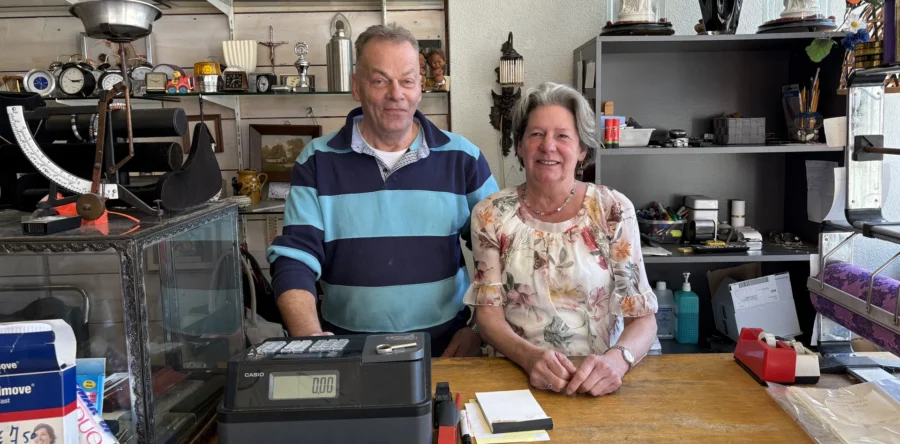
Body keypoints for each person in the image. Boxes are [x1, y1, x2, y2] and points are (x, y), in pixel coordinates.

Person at [268, 23, 498, 357]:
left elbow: (500, 254)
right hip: (348, 353)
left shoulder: (463, 158)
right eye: (380, 81)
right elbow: (295, 259)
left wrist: (478, 328)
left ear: (420, 88)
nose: (396, 94)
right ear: (356, 87)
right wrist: (311, 339)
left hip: (446, 351)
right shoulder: (316, 161)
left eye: (407, 80)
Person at [464, 82, 658, 396]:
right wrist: (529, 358)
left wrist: (617, 361)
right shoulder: (490, 214)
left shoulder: (612, 209)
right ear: (520, 146)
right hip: (514, 377)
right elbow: (487, 315)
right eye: (536, 134)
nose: (548, 146)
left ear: (582, 149)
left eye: (563, 136)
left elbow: (643, 320)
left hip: (597, 382)